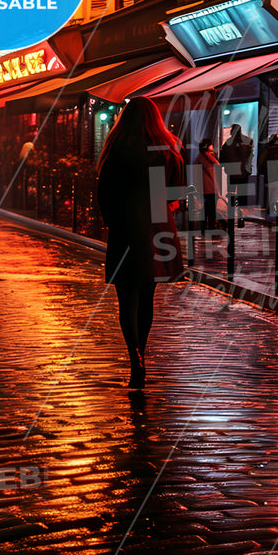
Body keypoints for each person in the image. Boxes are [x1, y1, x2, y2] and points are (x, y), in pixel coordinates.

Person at [96, 97, 186, 389]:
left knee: (127, 300)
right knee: (147, 297)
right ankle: (141, 354)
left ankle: (135, 358)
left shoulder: (117, 147)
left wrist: (112, 220)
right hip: (158, 226)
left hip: (126, 226)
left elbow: (105, 191)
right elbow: (174, 192)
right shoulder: (168, 148)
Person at [218, 123, 253, 206]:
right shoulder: (248, 141)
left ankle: (231, 209)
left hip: (232, 172)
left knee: (231, 193)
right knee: (243, 194)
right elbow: (250, 156)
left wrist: (225, 166)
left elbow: (222, 158)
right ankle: (242, 212)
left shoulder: (228, 143)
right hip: (244, 171)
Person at [197, 139, 222, 232]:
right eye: (211, 145)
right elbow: (214, 173)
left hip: (202, 189)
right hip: (210, 189)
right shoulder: (208, 157)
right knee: (211, 212)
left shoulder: (199, 158)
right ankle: (211, 229)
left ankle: (204, 229)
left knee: (204, 211)